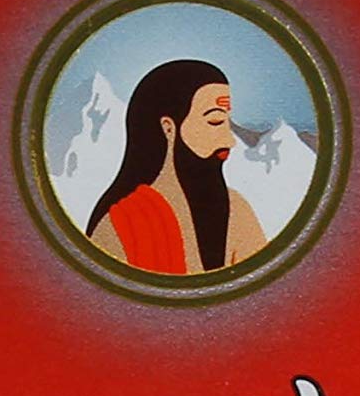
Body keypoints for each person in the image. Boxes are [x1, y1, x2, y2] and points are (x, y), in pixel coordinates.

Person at [86, 59, 268, 275]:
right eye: (215, 122)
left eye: (228, 123)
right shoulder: (121, 225)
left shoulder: (237, 209)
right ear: (169, 128)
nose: (229, 140)